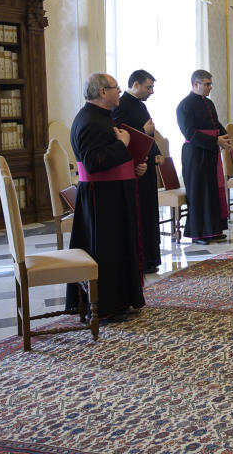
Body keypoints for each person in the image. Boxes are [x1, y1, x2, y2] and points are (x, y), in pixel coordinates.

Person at [66, 73, 148, 320]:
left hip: (113, 194)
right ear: (102, 92)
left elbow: (107, 156)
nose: (120, 92)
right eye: (116, 88)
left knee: (119, 249)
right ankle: (106, 307)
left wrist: (133, 165)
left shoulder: (101, 117)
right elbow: (93, 162)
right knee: (107, 251)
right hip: (101, 199)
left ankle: (121, 301)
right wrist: (122, 146)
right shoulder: (89, 120)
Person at [112, 70, 164, 274]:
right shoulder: (122, 105)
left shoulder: (140, 105)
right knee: (140, 212)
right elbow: (122, 136)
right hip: (135, 167)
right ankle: (143, 259)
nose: (151, 91)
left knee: (149, 211)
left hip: (147, 164)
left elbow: (149, 134)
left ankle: (151, 258)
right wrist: (145, 132)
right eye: (148, 87)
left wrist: (157, 152)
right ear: (135, 84)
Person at [177, 70, 232, 245]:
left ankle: (213, 230)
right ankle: (199, 233)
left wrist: (225, 138)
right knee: (199, 193)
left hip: (210, 151)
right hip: (195, 154)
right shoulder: (184, 105)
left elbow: (216, 124)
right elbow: (189, 133)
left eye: (210, 84)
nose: (210, 87)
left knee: (212, 191)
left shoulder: (208, 103)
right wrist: (215, 140)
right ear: (195, 84)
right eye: (207, 84)